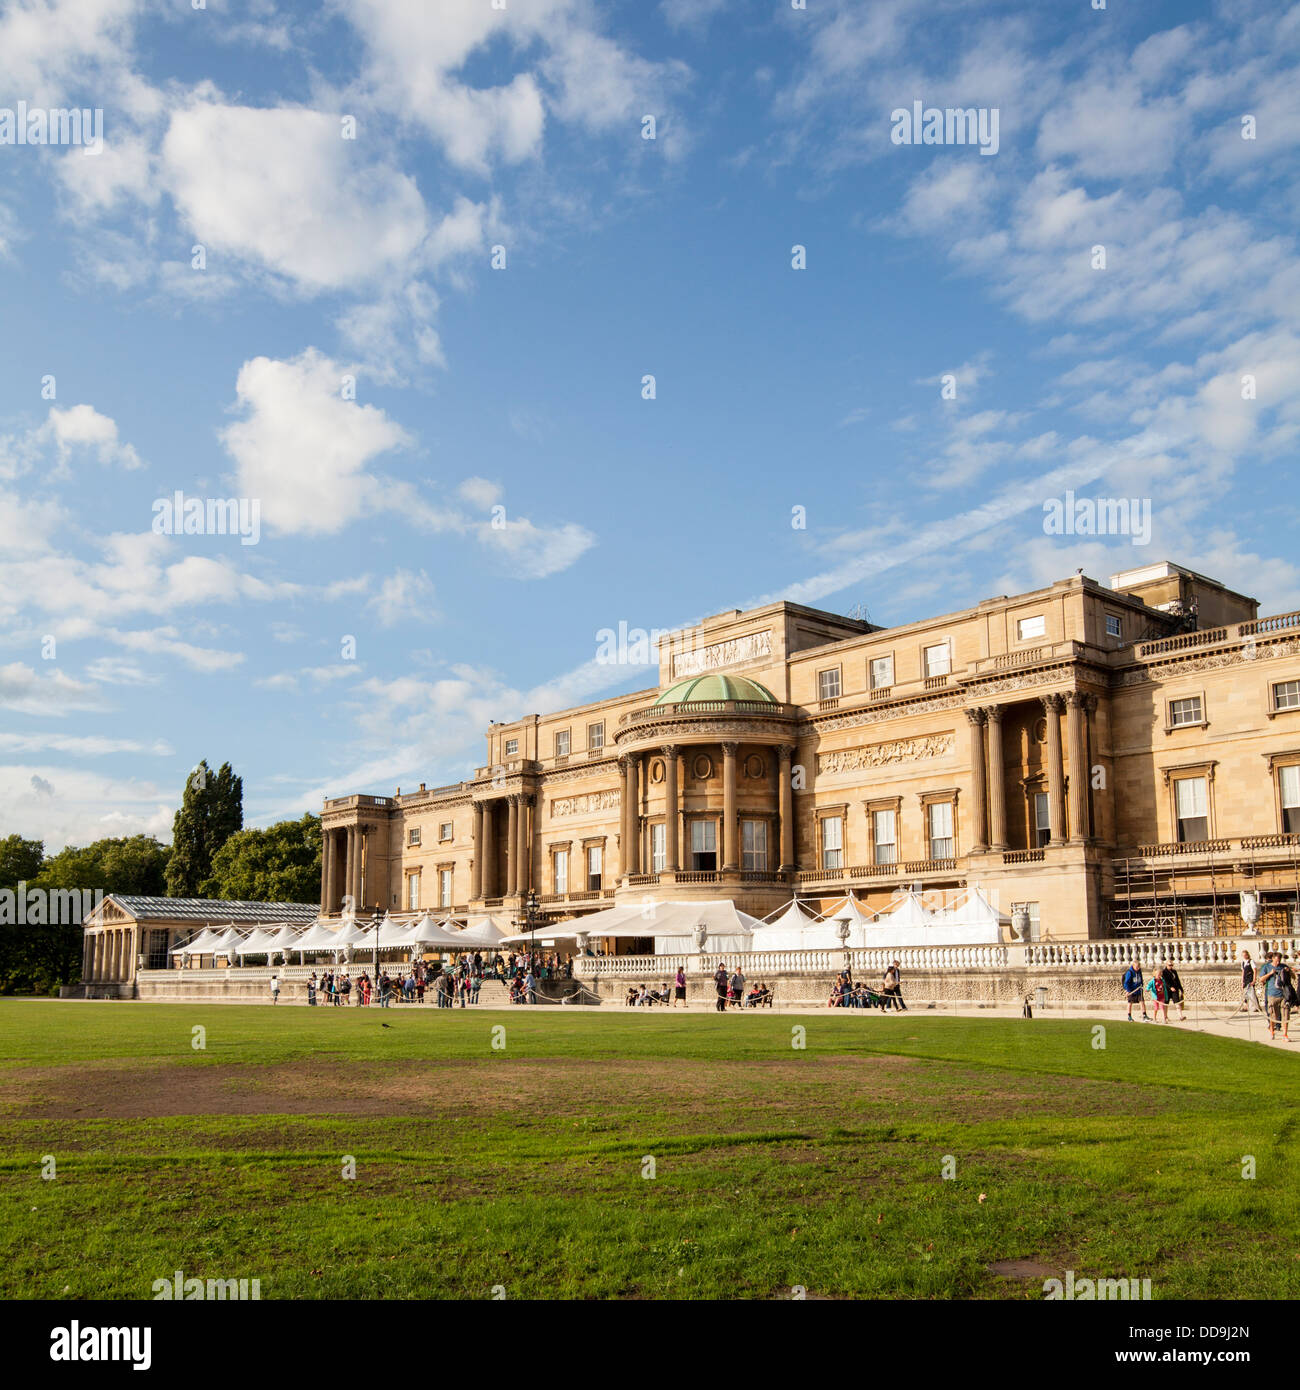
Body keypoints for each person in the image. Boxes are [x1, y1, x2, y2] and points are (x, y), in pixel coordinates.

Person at [1259, 951, 1293, 1042]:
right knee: (1273, 1015)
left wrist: (1289, 971)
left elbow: (1293, 977)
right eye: (1276, 960)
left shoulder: (1283, 966)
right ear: (1273, 958)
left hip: (1284, 994)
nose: (1278, 963)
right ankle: (1272, 1031)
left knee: (1286, 1015)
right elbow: (1261, 979)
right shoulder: (1266, 966)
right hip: (1272, 994)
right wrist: (1270, 973)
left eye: (1279, 961)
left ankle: (1285, 1034)